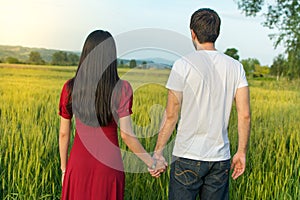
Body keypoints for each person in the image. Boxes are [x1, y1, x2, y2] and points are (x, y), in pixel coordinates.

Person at [151, 8, 251, 200]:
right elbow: (244, 114)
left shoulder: (182, 65)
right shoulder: (235, 67)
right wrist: (241, 152)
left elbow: (171, 115)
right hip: (220, 159)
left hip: (186, 156)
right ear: (217, 32)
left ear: (192, 33)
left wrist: (158, 152)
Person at [58, 30, 166, 200]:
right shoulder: (122, 89)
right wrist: (151, 163)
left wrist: (64, 170)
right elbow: (126, 135)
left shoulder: (70, 88)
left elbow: (64, 133)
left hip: (77, 165)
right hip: (108, 167)